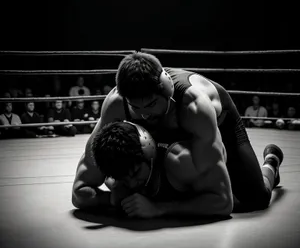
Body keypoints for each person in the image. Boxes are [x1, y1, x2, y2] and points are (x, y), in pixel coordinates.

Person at [72, 52, 284, 215]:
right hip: (167, 133)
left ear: (166, 90)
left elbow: (222, 200)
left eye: (152, 104)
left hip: (220, 125)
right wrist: (113, 199)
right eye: (137, 109)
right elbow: (80, 188)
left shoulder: (195, 107)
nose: (145, 116)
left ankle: (271, 163)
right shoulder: (117, 105)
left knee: (255, 199)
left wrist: (159, 208)